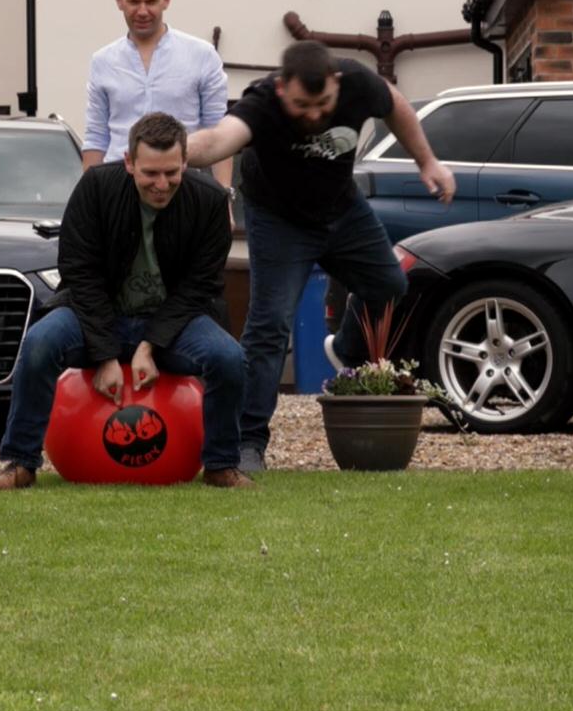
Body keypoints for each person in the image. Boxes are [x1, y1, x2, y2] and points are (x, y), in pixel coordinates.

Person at [187, 41, 455, 471]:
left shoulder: (359, 82)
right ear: (282, 89)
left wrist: (427, 162)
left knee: (389, 284)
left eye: (322, 103)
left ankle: (347, 350)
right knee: (270, 324)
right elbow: (219, 139)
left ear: (337, 82)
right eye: (301, 106)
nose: (313, 114)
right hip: (279, 220)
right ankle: (248, 442)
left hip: (341, 209)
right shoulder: (263, 101)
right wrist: (172, 151)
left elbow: (396, 106)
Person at [0, 112, 252, 490]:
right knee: (39, 343)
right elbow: (79, 272)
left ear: (186, 162)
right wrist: (106, 354)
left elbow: (198, 288)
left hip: (175, 322)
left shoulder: (210, 202)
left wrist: (149, 346)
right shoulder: (95, 188)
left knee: (229, 358)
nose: (161, 184)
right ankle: (19, 463)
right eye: (150, 173)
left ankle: (221, 465)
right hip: (93, 315)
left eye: (171, 172)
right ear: (129, 162)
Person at [82, 0, 231, 195]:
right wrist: (89, 198)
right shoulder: (102, 61)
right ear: (119, 0)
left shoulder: (202, 56)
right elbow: (96, 137)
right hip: (117, 188)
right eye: (134, 1)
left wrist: (225, 196)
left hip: (182, 186)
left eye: (151, 1)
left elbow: (218, 133)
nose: (142, 11)